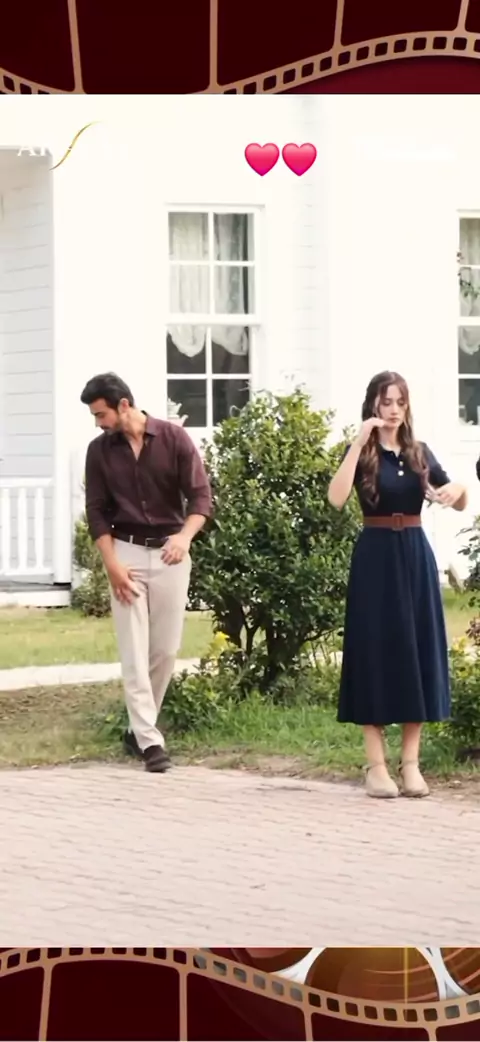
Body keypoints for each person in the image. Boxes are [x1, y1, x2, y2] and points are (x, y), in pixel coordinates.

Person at [327, 371, 467, 800]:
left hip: (414, 556)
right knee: (374, 651)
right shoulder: (363, 453)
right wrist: (358, 442)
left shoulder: (418, 452)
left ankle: (411, 764)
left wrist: (457, 489)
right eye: (385, 402)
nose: (393, 410)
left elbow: (458, 499)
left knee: (416, 651)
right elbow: (336, 498)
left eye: (399, 402)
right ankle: (376, 766)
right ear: (372, 404)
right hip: (375, 557)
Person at [81, 372, 213, 773]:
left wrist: (185, 538)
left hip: (172, 552)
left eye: (101, 414)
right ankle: (151, 743)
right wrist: (112, 566)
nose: (98, 423)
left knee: (165, 650)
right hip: (126, 553)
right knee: (134, 649)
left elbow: (201, 497)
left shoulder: (174, 439)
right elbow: (96, 512)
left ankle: (138, 729)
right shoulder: (99, 451)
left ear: (123, 405)